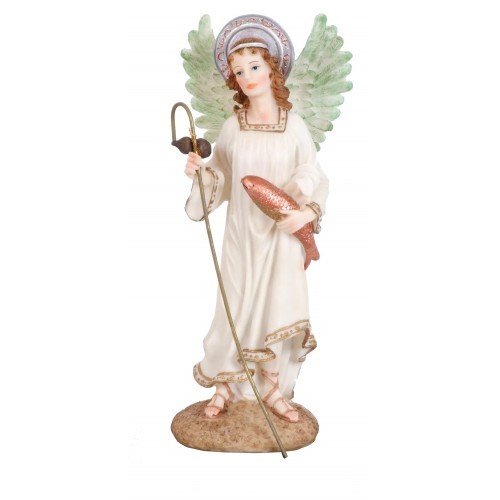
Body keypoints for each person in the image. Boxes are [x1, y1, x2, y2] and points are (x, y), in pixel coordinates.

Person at [183, 35, 329, 422]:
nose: (247, 77)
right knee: (235, 305)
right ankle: (225, 388)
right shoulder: (233, 127)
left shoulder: (294, 126)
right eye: (238, 71)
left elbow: (315, 174)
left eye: (254, 66)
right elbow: (221, 177)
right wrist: (201, 173)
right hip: (242, 235)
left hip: (281, 236)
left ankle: (272, 390)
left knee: (275, 308)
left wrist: (306, 213)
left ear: (272, 69)